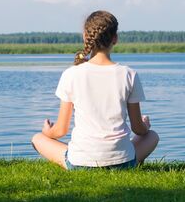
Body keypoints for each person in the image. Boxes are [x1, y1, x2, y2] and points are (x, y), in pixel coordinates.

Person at [31, 10, 159, 169]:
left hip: (80, 163)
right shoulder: (129, 74)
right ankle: (129, 162)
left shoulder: (71, 74)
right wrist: (145, 126)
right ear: (115, 38)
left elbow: (60, 130)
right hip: (123, 162)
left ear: (85, 37)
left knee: (37, 138)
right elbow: (138, 129)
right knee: (152, 136)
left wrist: (47, 131)